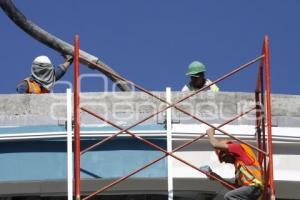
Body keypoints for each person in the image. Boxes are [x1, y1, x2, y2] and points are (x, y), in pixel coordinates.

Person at [205, 128, 263, 200]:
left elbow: (215, 145)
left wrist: (209, 133)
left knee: (230, 196)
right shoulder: (239, 167)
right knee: (231, 195)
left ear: (227, 151)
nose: (225, 162)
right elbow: (235, 188)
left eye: (224, 158)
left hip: (255, 188)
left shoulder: (240, 149)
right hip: (251, 191)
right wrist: (218, 178)